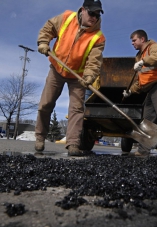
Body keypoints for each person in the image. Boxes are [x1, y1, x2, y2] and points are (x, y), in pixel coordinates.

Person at [35, 0, 105, 156]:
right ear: (83, 10)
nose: (94, 17)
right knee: (45, 104)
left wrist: (89, 77)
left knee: (76, 109)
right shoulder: (66, 18)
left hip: (78, 77)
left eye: (97, 14)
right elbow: (49, 27)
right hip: (56, 70)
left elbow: (94, 62)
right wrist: (43, 42)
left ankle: (73, 144)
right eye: (92, 13)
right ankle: (40, 137)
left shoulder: (98, 38)